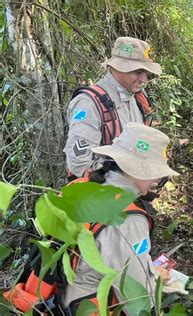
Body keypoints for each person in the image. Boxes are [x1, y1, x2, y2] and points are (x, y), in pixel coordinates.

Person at [62, 122, 179, 313]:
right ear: (137, 170)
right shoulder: (128, 220)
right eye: (155, 174)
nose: (157, 181)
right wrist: (154, 280)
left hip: (58, 299)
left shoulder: (80, 187)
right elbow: (139, 301)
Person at [63, 36, 162, 181]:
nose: (143, 80)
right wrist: (123, 174)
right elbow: (78, 163)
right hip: (102, 195)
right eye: (138, 72)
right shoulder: (88, 103)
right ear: (118, 67)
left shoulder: (137, 97)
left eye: (147, 74)